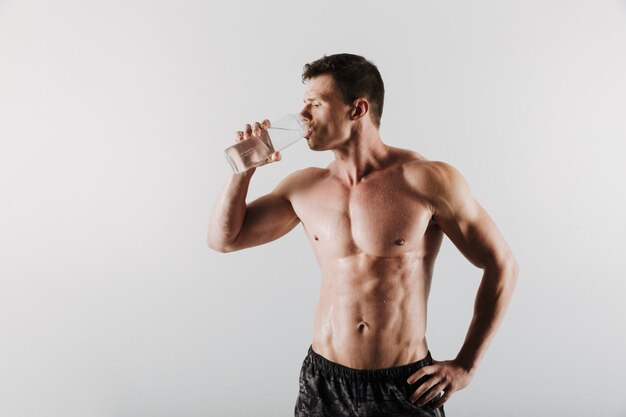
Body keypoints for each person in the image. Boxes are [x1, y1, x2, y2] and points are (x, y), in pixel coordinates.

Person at [208, 53, 518, 417]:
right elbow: (225, 239)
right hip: (323, 382)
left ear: (357, 110)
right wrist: (241, 173)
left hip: (404, 386)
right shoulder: (304, 187)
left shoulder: (426, 180)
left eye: (316, 104)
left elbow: (502, 265)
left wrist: (466, 365)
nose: (303, 116)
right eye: (304, 104)